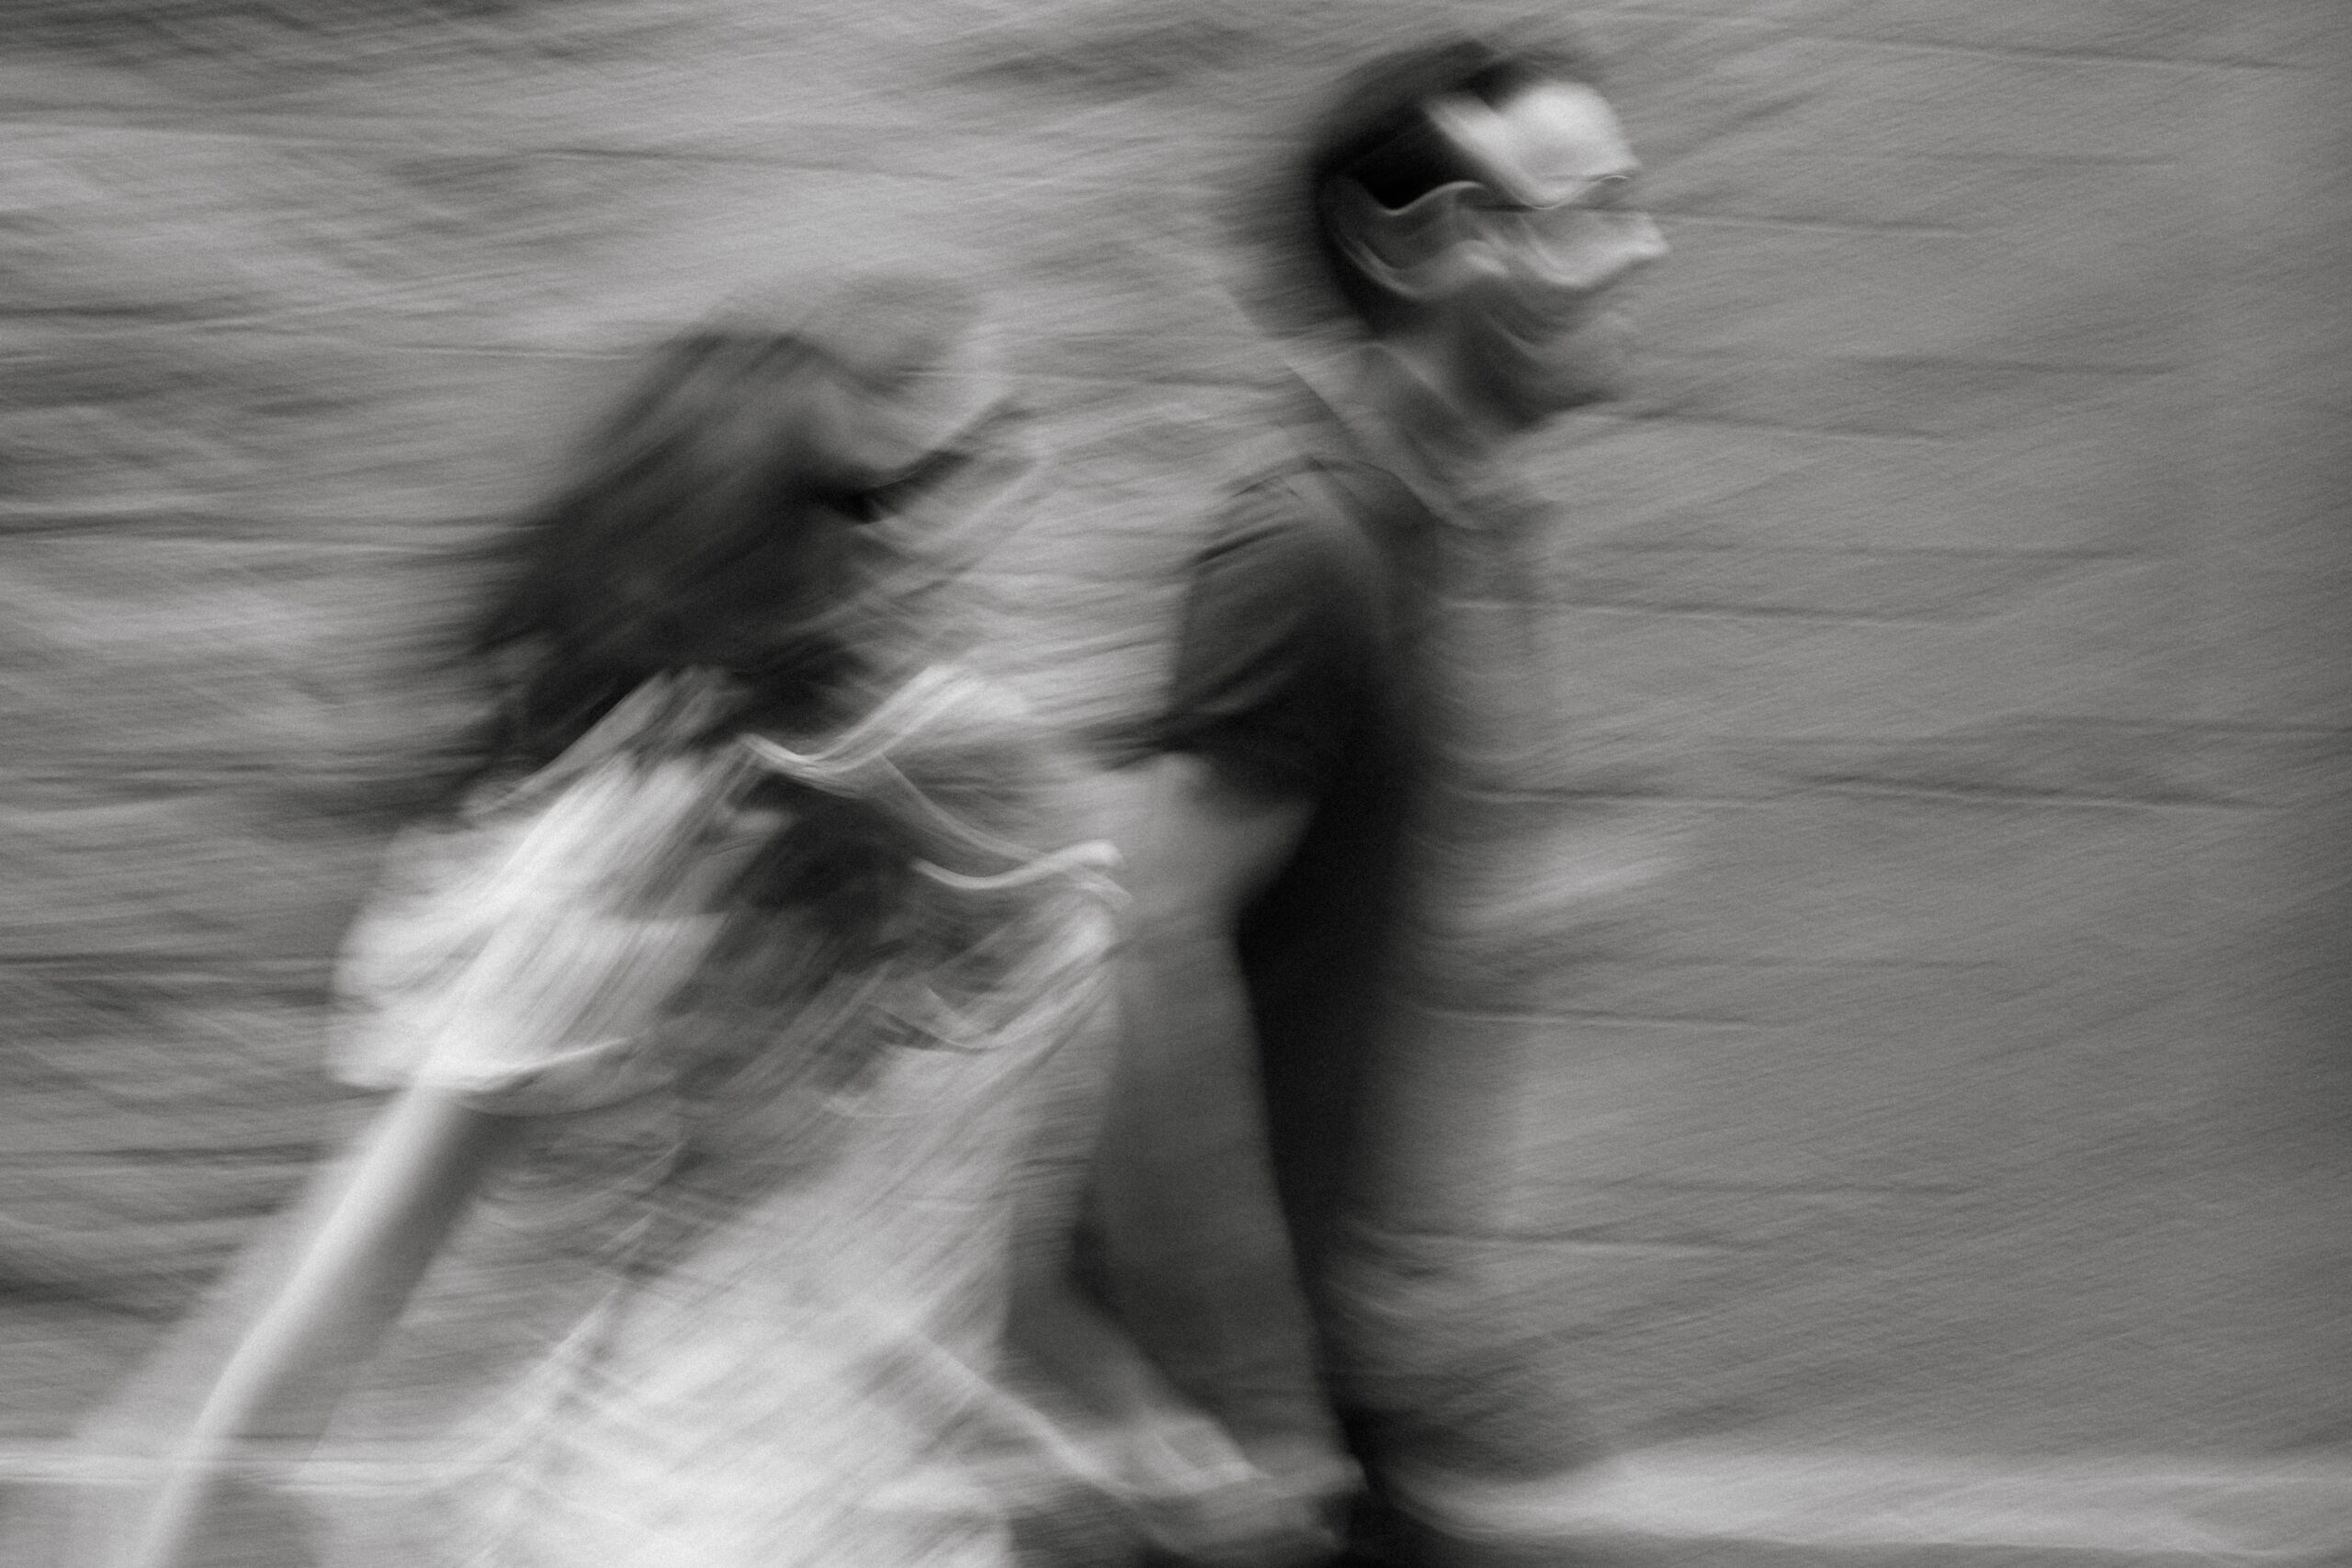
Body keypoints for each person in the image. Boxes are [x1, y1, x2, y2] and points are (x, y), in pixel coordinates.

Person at [81, 276, 1323, 1568]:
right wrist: (175, 1529)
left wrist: (1120, 1430)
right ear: (767, 537)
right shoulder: (637, 846)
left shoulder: (933, 786)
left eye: (998, 454)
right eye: (893, 492)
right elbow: (355, 1269)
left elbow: (864, 1259)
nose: (969, 516)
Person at [1079, 35, 1668, 1564]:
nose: (1642, 246)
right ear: (1413, 244)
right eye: (1586, 206)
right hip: (1234, 1435)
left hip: (1359, 1388)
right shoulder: (1305, 553)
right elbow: (1147, 952)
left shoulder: (1462, 536)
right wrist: (1251, 1398)